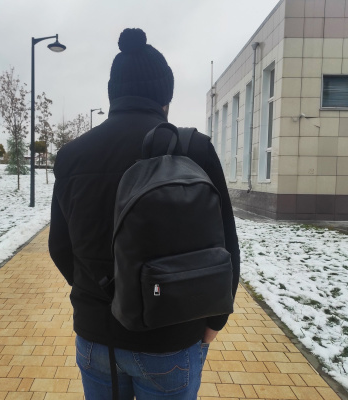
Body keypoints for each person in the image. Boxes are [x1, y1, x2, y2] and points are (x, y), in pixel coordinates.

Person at [49, 28, 240, 400]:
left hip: (96, 337)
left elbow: (60, 247)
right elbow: (226, 245)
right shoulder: (192, 149)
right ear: (165, 97)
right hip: (171, 336)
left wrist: (100, 295)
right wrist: (214, 322)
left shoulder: (72, 155)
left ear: (113, 94)